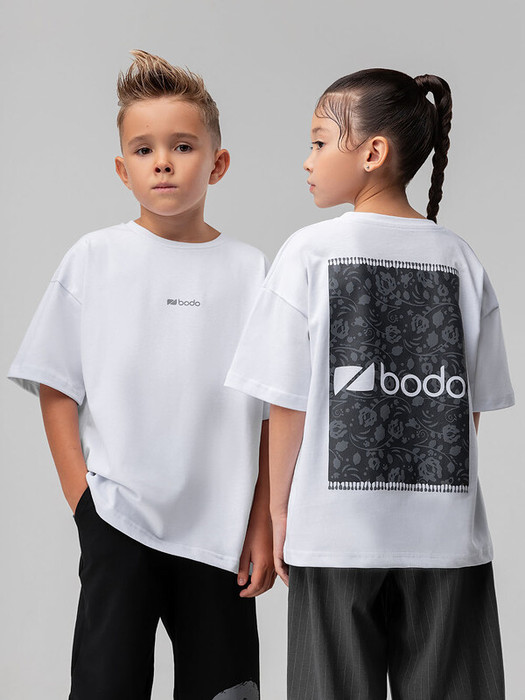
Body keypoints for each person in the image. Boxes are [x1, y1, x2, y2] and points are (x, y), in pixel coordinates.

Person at [225, 69, 514, 700]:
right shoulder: (462, 260)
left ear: (373, 151)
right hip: (446, 541)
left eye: (319, 141)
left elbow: (287, 403)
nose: (307, 160)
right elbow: (468, 410)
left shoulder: (309, 253)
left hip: (334, 536)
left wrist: (279, 511)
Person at [8, 49, 274, 700]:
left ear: (217, 163)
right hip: (118, 519)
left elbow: (274, 408)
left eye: (182, 146)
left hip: (221, 533)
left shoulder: (251, 271)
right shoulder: (94, 257)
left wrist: (263, 522)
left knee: (227, 690)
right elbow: (55, 384)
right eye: (144, 148)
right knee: (106, 685)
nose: (163, 162)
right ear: (122, 168)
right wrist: (85, 503)